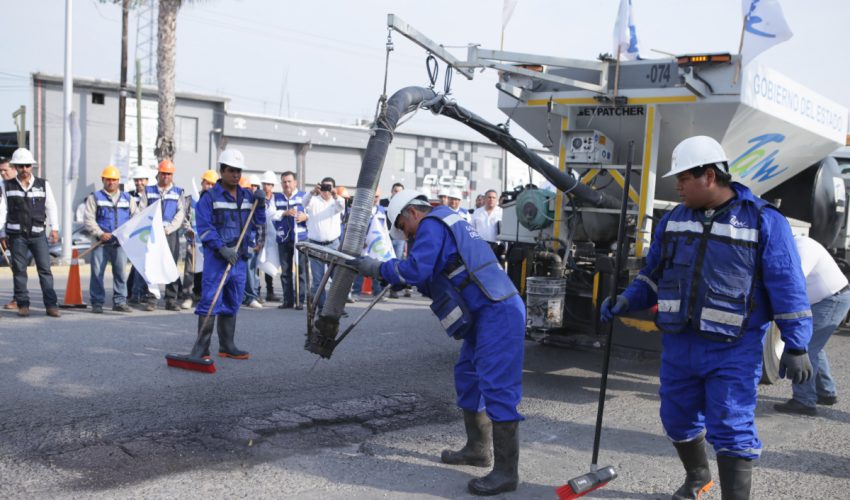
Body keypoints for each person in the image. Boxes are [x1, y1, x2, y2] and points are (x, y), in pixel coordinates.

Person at [600, 136, 813, 500]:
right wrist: (627, 298)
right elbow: (654, 272)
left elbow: (787, 283)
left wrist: (797, 343)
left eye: (684, 178)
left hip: (734, 348)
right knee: (677, 419)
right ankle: (698, 479)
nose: (677, 186)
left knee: (731, 426)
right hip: (680, 344)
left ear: (710, 176)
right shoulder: (674, 220)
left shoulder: (762, 220)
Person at [352, 190, 525, 496]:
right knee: (468, 376)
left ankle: (506, 472)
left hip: (496, 310)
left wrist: (379, 268)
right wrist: (392, 274)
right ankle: (477, 449)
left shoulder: (432, 222)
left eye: (405, 230)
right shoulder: (447, 221)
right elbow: (427, 276)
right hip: (486, 310)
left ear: (411, 214)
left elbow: (416, 270)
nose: (408, 238)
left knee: (497, 387)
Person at [193, 149, 265, 359]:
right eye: (231, 171)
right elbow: (204, 228)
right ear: (222, 171)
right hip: (218, 258)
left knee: (233, 301)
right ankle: (201, 348)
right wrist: (222, 248)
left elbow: (257, 220)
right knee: (210, 301)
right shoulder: (209, 197)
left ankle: (227, 346)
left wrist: (261, 203)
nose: (236, 175)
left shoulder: (247, 196)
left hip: (239, 259)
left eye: (238, 171)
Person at [774, 236, 850, 416]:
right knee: (816, 346)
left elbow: (794, 283)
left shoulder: (802, 247)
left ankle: (804, 401)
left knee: (805, 348)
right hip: (828, 298)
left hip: (831, 300)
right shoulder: (795, 245)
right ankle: (826, 392)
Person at [0, 148, 61, 317]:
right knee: (19, 270)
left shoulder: (43, 184)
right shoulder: (7, 186)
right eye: (20, 166)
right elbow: (3, 210)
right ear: (15, 167)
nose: (24, 169)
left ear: (32, 166)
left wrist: (54, 228)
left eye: (27, 166)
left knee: (45, 270)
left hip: (38, 234)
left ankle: (51, 305)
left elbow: (51, 207)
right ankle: (22, 304)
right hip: (16, 235)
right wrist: (2, 232)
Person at [83, 165, 137, 313]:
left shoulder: (128, 198)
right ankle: (97, 302)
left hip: (120, 244)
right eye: (108, 179)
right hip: (100, 243)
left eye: (114, 180)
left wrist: (126, 233)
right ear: (103, 180)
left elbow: (136, 218)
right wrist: (100, 233)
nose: (111, 182)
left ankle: (120, 301)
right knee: (97, 273)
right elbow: (88, 219)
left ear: (118, 181)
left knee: (120, 273)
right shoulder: (94, 197)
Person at [141, 160, 185, 311]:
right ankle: (152, 299)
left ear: (172, 175)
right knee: (151, 266)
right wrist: (152, 228)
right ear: (158, 174)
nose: (166, 176)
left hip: (170, 233)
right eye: (163, 173)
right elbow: (142, 211)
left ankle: (171, 300)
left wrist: (170, 229)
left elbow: (180, 214)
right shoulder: (148, 191)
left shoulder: (178, 192)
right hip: (153, 234)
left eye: (169, 174)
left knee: (170, 265)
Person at [303, 176, 345, 310]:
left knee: (336, 279)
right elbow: (303, 203)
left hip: (333, 244)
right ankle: (322, 308)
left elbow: (341, 206)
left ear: (333, 188)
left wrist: (335, 194)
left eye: (329, 187)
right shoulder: (314, 200)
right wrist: (311, 192)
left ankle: (336, 308)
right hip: (315, 244)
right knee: (318, 279)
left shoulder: (337, 201)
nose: (326, 190)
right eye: (324, 187)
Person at [179, 169, 219, 309]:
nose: (209, 186)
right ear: (202, 183)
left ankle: (204, 295)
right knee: (190, 269)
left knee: (208, 270)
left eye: (212, 184)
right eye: (207, 183)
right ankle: (188, 296)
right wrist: (187, 229)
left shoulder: (218, 202)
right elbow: (184, 217)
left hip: (210, 242)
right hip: (194, 239)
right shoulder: (192, 200)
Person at [272, 170, 308, 310]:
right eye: (284, 182)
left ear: (295, 183)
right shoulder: (277, 197)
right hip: (283, 238)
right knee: (285, 271)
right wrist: (285, 213)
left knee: (301, 271)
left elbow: (312, 212)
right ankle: (288, 300)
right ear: (281, 183)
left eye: (289, 181)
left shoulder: (304, 196)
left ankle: (300, 300)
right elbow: (271, 214)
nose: (287, 184)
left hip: (301, 238)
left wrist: (306, 217)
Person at [352, 188, 387, 298]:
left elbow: (384, 228)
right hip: (364, 244)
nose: (375, 199)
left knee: (376, 267)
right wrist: (360, 241)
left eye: (377, 197)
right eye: (373, 196)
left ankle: (378, 292)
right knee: (360, 267)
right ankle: (356, 292)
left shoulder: (381, 210)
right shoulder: (362, 210)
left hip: (376, 245)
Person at [127, 167, 154, 308]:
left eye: (142, 180)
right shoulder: (129, 195)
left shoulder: (152, 194)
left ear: (147, 181)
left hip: (147, 234)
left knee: (143, 265)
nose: (139, 182)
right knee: (138, 264)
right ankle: (134, 292)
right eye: (137, 180)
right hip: (133, 234)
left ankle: (137, 292)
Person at [0, 156, 21, 310]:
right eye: (0, 171)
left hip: (20, 233)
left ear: (14, 169)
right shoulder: (1, 187)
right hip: (4, 231)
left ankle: (19, 298)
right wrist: (2, 233)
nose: (2, 173)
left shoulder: (22, 186)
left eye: (5, 170)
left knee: (18, 268)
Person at [241, 174, 264, 309]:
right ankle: (238, 296)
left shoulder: (255, 202)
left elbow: (260, 221)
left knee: (250, 270)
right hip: (235, 240)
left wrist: (260, 206)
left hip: (249, 240)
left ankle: (250, 297)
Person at [259, 170, 280, 302]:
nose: (266, 186)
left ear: (273, 186)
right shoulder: (259, 198)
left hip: (274, 236)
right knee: (258, 262)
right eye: (264, 184)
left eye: (268, 184)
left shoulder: (277, 199)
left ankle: (270, 291)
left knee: (270, 263)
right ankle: (256, 291)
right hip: (261, 234)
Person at [388, 182, 410, 299]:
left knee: (396, 263)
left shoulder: (405, 206)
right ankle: (379, 288)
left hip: (400, 238)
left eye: (400, 191)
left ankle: (393, 289)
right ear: (391, 191)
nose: (397, 193)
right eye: (395, 191)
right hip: (386, 238)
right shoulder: (383, 203)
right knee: (385, 260)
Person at [471, 189, 504, 259]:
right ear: (485, 199)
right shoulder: (477, 212)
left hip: (497, 247)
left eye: (493, 198)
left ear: (497, 200)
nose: (491, 199)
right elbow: (472, 229)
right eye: (489, 197)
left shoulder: (502, 212)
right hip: (480, 246)